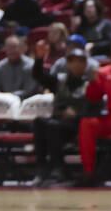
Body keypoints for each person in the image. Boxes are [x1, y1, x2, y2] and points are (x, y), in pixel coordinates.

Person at [31, 45, 100, 185]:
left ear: (86, 64)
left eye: (81, 61)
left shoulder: (91, 83)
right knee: (39, 121)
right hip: (59, 123)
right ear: (67, 63)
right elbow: (38, 76)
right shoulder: (59, 80)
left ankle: (59, 168)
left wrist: (77, 114)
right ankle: (42, 167)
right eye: (73, 61)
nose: (77, 64)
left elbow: (97, 108)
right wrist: (39, 58)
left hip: (78, 125)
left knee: (52, 126)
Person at [77, 43, 111, 187]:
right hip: (110, 119)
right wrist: (93, 83)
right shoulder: (104, 72)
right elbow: (93, 98)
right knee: (87, 124)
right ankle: (89, 172)